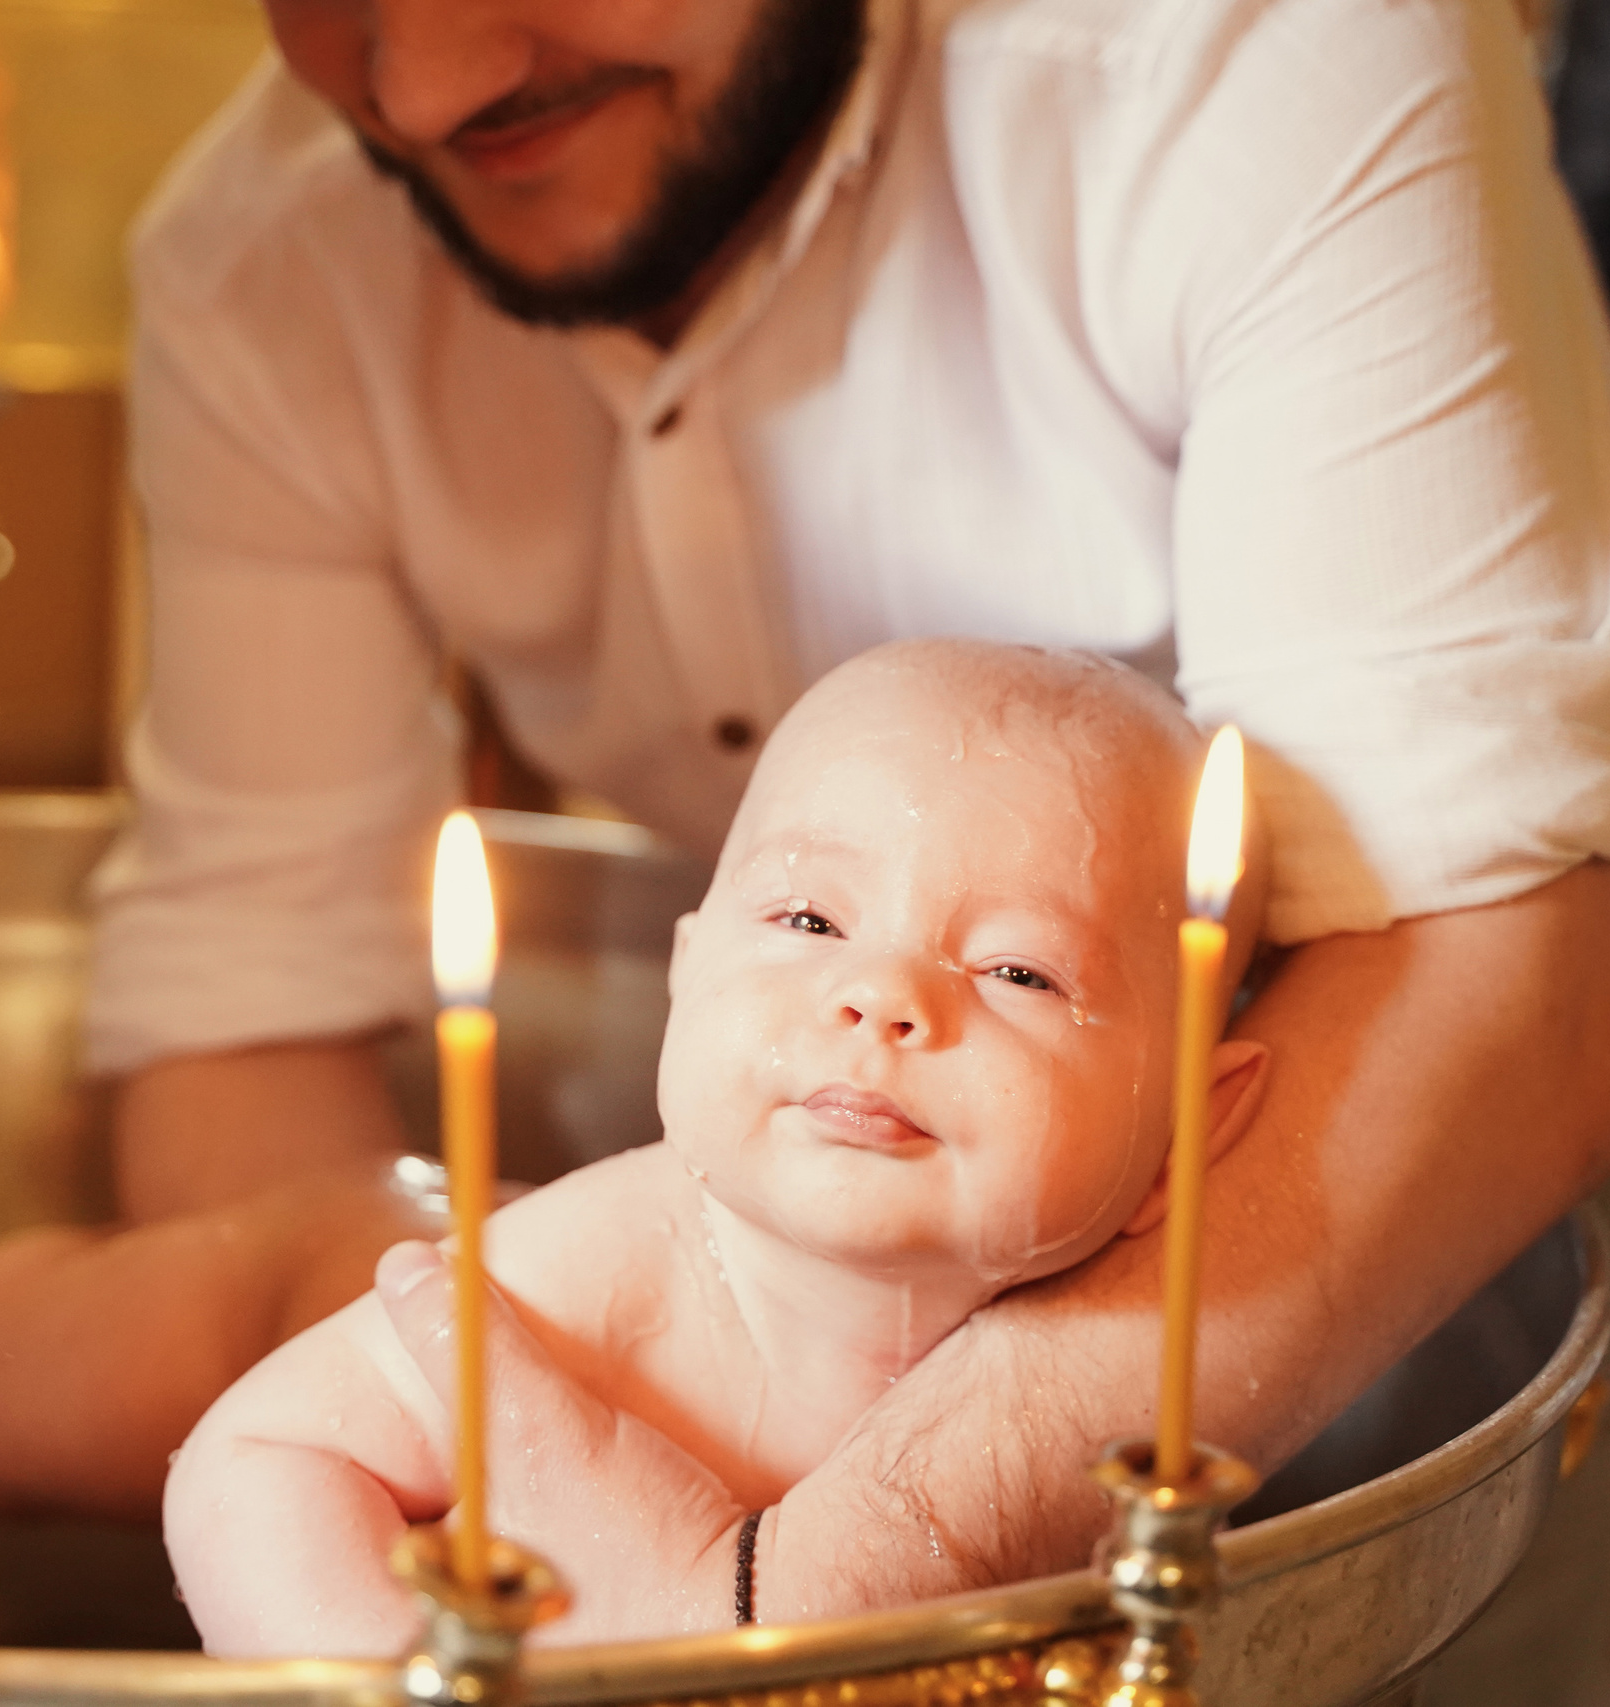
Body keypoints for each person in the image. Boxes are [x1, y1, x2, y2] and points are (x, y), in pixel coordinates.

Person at [0, 0, 1610, 1617]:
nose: (426, 82)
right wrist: (440, 1482)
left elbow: (1506, 995)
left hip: (1376, 1175)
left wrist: (813, 1585)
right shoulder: (262, 258)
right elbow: (252, 993)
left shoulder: (1256, 57)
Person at [165, 641, 1271, 1654]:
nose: (879, 996)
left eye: (1019, 972)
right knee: (53, 1358)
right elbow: (255, 1465)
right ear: (684, 968)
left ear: (1191, 1130)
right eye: (808, 923)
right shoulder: (587, 1280)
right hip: (295, 1269)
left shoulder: (1159, 1406)